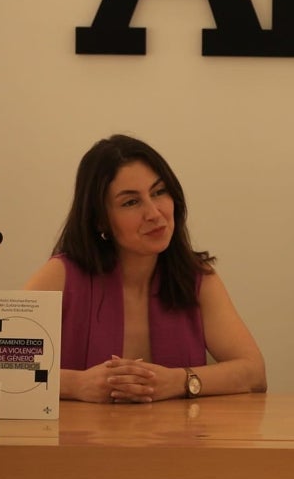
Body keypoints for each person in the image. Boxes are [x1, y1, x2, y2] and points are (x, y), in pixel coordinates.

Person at [24, 135, 267, 403]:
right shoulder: (62, 275)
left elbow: (254, 373)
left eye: (159, 192)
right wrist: (75, 384)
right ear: (101, 220)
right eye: (131, 202)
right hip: (78, 442)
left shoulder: (196, 278)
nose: (154, 213)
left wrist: (179, 380)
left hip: (177, 442)